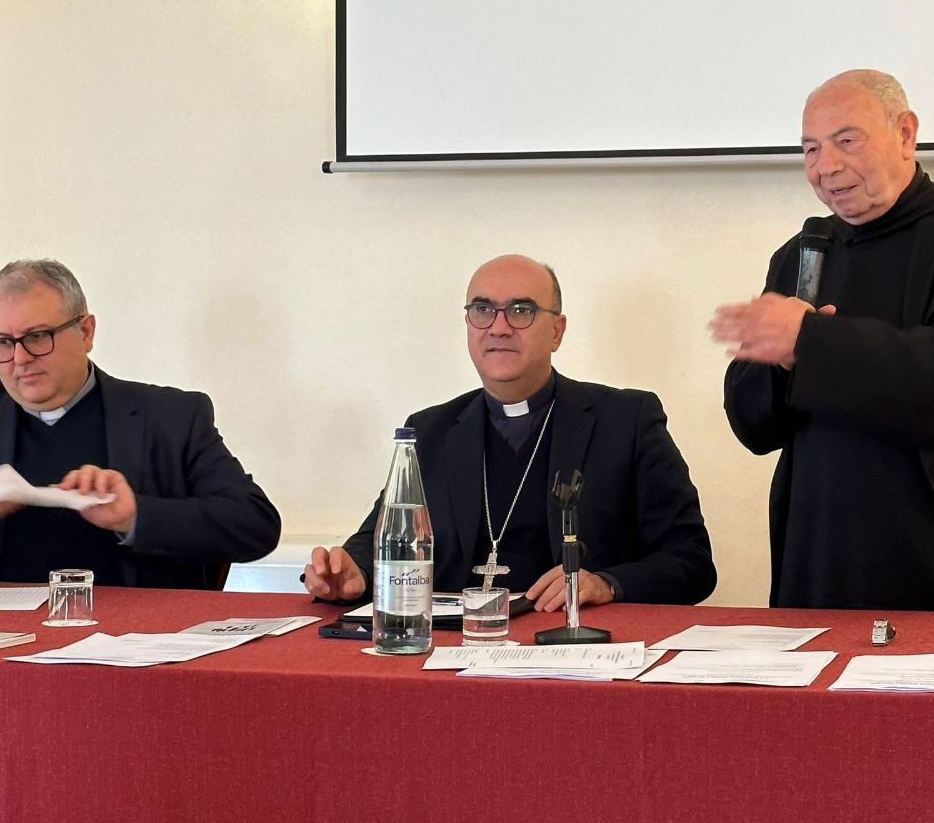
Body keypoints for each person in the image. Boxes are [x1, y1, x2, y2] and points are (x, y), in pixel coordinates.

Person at [711, 70, 934, 613]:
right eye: (810, 148)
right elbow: (753, 426)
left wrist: (810, 343)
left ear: (905, 134)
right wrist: (782, 361)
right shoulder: (803, 255)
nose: (825, 166)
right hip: (826, 549)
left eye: (846, 141)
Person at [307, 254, 716, 610]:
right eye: (482, 310)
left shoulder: (626, 420)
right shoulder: (429, 430)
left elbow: (691, 560)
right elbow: (380, 535)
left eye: (521, 310)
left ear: (557, 331)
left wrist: (606, 583)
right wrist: (354, 571)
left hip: (574, 653)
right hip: (453, 654)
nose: (498, 327)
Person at [0, 259, 280, 588]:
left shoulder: (170, 416)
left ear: (85, 332)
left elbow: (255, 525)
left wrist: (134, 516)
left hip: (136, 651)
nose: (19, 359)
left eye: (37, 336)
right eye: (1, 342)